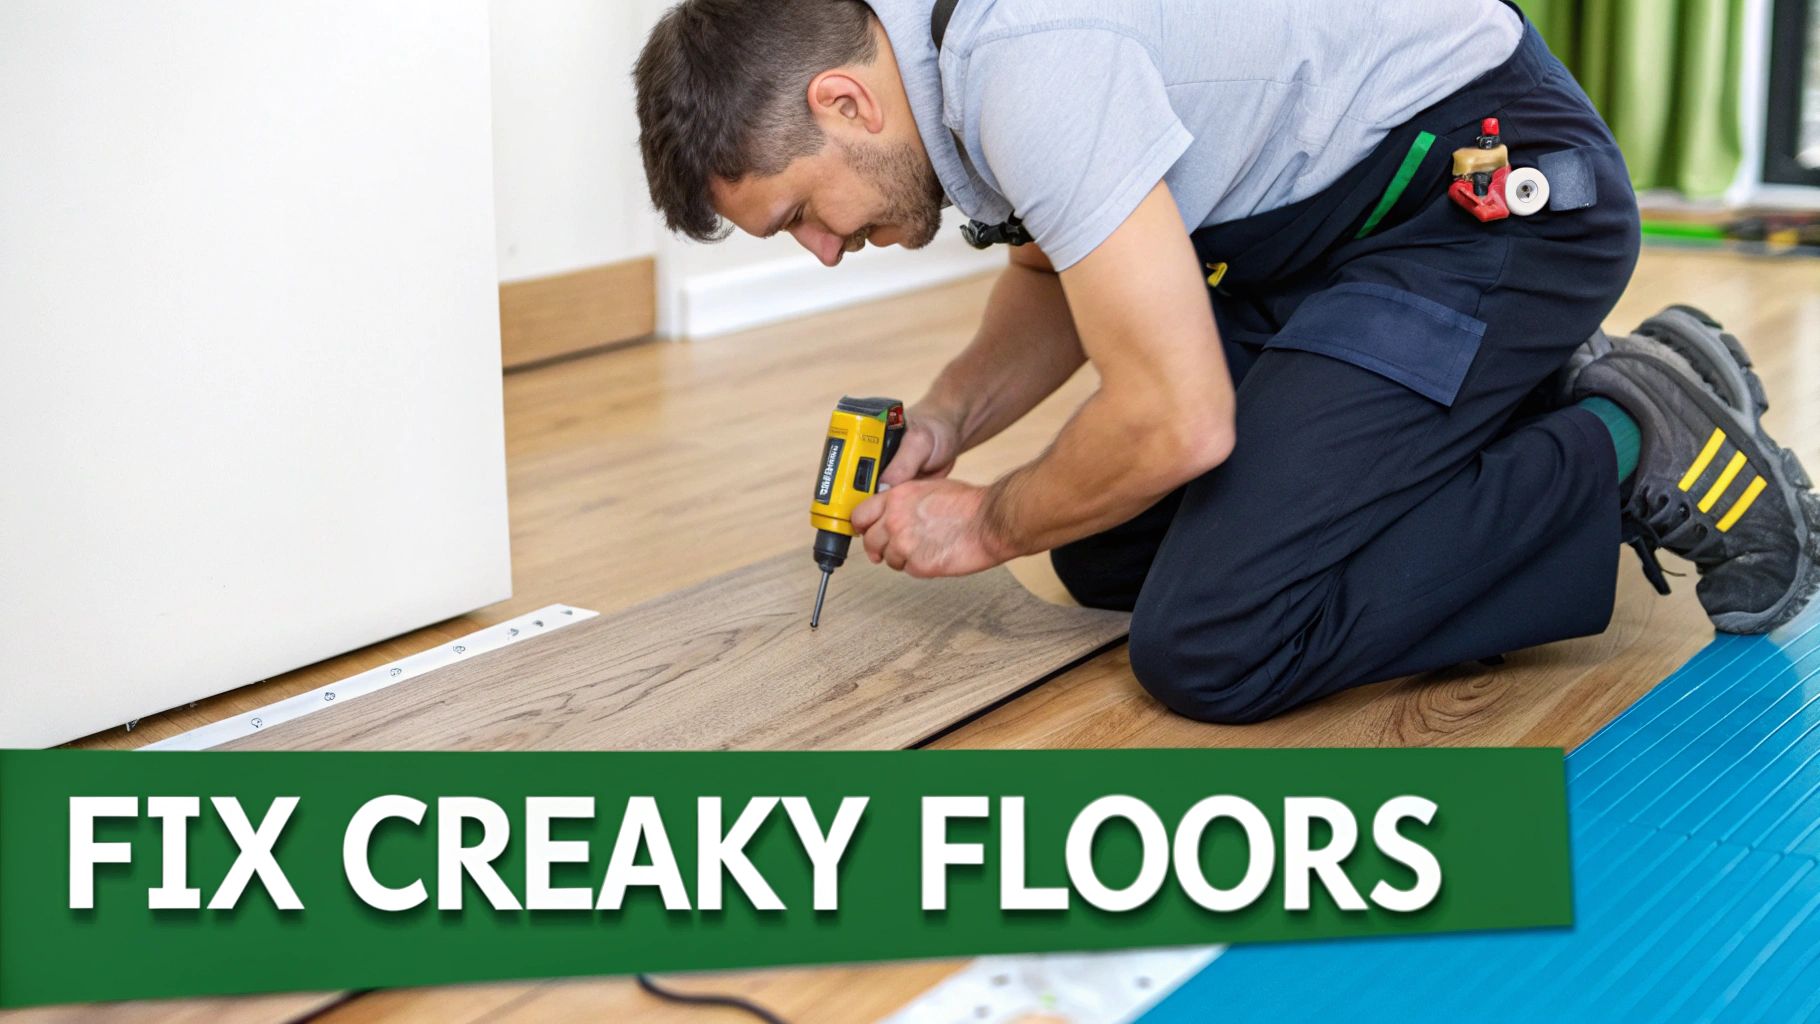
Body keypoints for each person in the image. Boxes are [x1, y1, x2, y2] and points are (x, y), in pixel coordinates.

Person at [634, 0, 1820, 723]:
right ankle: (1546, 394)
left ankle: (1616, 441)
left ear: (842, 100)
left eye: (802, 213)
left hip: (1483, 204)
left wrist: (988, 522)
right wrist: (949, 422)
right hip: (1333, 237)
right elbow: (1066, 263)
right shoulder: (944, 52)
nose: (825, 252)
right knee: (1106, 545)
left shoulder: (1026, 60)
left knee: (1214, 639)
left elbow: (1177, 422)